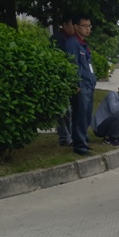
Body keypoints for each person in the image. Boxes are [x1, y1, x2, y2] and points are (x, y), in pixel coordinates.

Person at [64, 15, 97, 155]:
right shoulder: (73, 43)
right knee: (80, 116)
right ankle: (79, 146)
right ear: (76, 27)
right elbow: (72, 65)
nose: (88, 29)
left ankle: (84, 140)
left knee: (87, 116)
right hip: (81, 87)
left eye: (89, 26)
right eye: (85, 26)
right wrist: (75, 84)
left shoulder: (83, 44)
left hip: (88, 86)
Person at [50, 13, 75, 147]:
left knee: (70, 110)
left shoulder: (72, 40)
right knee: (65, 110)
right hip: (61, 80)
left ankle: (69, 135)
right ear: (64, 25)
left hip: (71, 80)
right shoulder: (57, 40)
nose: (74, 28)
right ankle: (64, 137)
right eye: (72, 24)